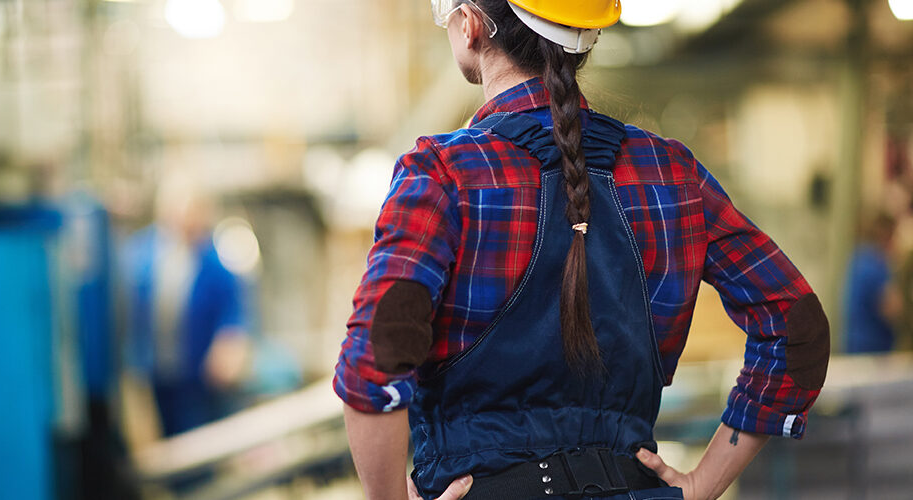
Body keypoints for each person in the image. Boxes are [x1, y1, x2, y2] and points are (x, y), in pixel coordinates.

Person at [333, 1, 831, 499]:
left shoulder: (443, 173)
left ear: (469, 25)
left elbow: (375, 357)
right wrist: (703, 484)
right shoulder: (671, 174)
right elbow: (795, 323)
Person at [123, 172, 255, 437]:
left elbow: (234, 311)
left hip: (196, 378)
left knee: (193, 439)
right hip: (149, 373)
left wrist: (230, 341)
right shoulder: (138, 255)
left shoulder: (216, 262)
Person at [844, 212, 901, 353]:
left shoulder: (859, 258)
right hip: (873, 348)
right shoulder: (875, 265)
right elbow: (891, 309)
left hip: (855, 342)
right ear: (888, 236)